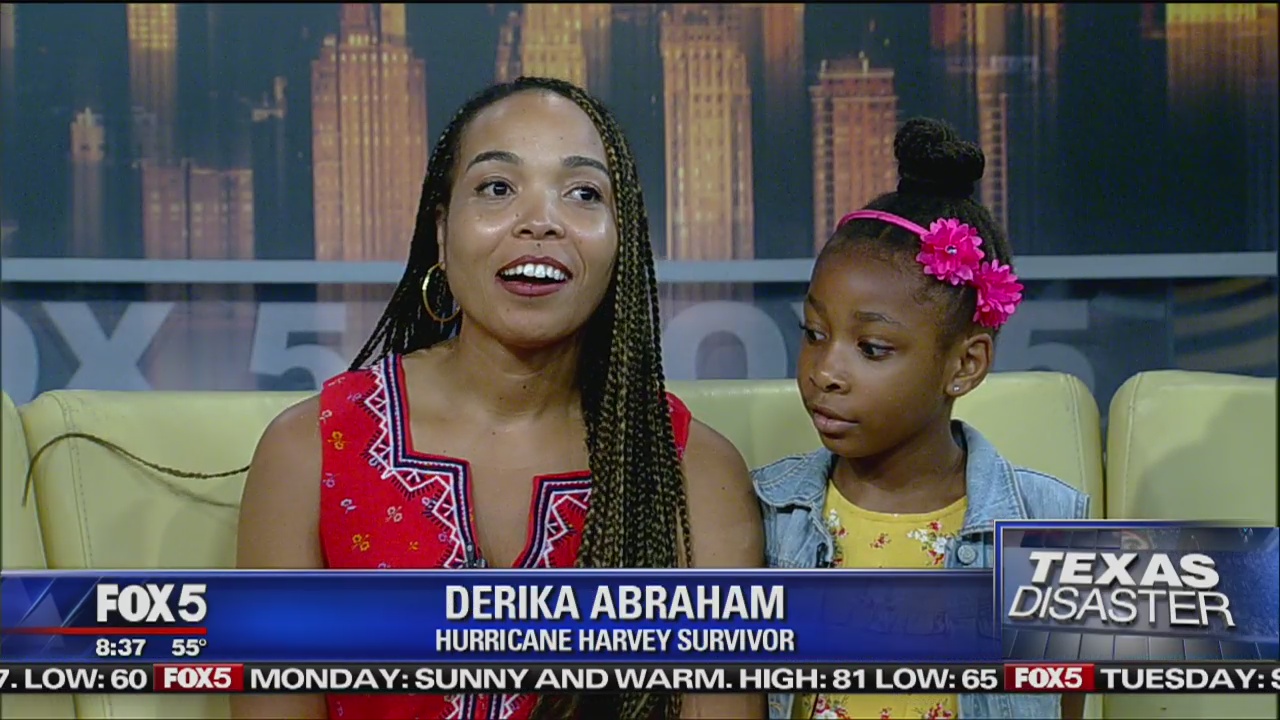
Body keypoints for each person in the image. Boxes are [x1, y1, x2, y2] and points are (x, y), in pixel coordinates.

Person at [233, 77, 765, 720]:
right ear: (441, 229)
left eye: (583, 193)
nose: (540, 222)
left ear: (620, 242)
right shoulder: (310, 450)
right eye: (497, 188)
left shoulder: (694, 471)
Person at [753, 118, 1090, 720]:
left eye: (873, 348)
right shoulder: (767, 517)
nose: (824, 370)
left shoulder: (1048, 527)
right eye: (814, 334)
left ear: (965, 364)